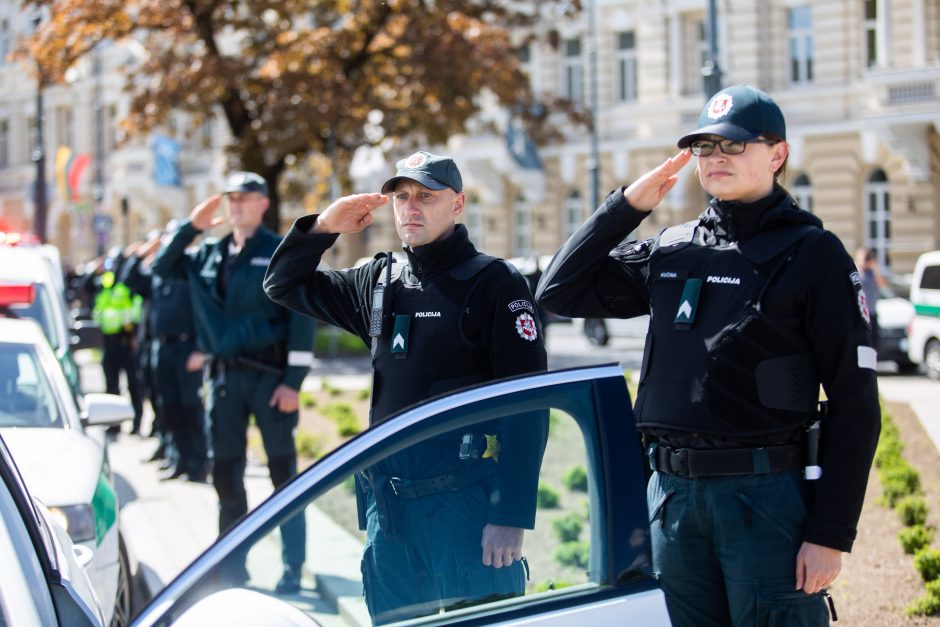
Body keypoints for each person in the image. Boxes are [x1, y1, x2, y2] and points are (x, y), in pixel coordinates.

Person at [536, 85, 881, 626]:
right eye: (704, 147)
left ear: (778, 154)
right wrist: (624, 207)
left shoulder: (813, 255)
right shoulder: (673, 248)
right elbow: (556, 291)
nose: (716, 156)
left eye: (734, 145)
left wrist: (829, 534)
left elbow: (856, 404)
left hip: (764, 499)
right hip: (672, 499)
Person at [263, 151, 549, 623]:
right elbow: (283, 284)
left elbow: (528, 407)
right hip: (389, 512)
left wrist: (511, 515)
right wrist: (323, 227)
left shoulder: (495, 284)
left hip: (466, 509)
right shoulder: (379, 280)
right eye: (400, 197)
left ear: (457, 205)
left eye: (425, 197)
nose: (410, 208)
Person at [151, 171, 316, 593]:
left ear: (263, 203)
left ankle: (293, 566)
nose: (236, 205)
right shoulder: (207, 253)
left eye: (245, 197)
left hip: (269, 378)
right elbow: (161, 267)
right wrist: (192, 225)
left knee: (284, 476)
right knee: (226, 473)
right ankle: (230, 564)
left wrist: (294, 382)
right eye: (230, 198)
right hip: (223, 379)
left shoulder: (278, 250)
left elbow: (301, 320)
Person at [122, 231, 209, 481]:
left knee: (191, 409)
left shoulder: (191, 270)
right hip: (163, 349)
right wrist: (146, 251)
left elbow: (205, 313)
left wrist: (201, 350)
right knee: (169, 408)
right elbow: (130, 279)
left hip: (187, 348)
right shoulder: (159, 272)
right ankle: (179, 459)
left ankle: (199, 463)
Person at [92, 247, 145, 434]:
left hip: (127, 340)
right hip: (109, 341)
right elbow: (86, 287)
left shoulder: (128, 285)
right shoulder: (106, 283)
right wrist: (94, 270)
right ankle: (114, 424)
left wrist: (135, 336)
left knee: (133, 384)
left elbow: (137, 313)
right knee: (111, 384)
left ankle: (137, 422)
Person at [854, 247, 887, 353]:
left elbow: (883, 285)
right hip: (860, 316)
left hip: (872, 314)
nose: (867, 260)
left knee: (874, 345)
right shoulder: (856, 272)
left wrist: (875, 267)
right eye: (865, 258)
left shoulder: (872, 273)